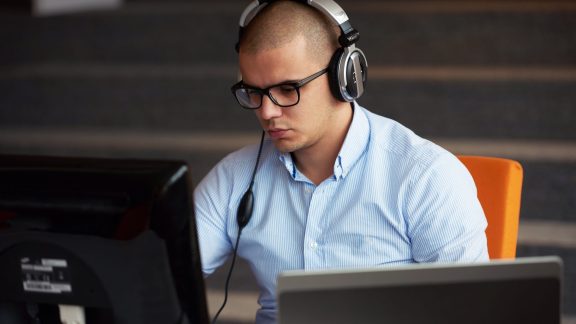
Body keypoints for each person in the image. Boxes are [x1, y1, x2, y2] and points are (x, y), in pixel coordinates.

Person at [194, 1, 489, 323]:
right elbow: (157, 278)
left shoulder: (425, 176)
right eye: (253, 91)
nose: (266, 112)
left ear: (345, 76)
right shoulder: (234, 177)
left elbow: (470, 311)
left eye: (288, 88)